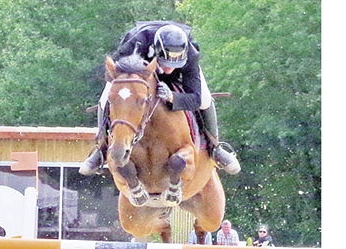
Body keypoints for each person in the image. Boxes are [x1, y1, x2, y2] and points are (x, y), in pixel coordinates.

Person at [79, 20, 241, 176]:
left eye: (175, 64)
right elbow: (108, 72)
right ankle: (101, 149)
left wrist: (173, 97)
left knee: (205, 99)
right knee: (106, 97)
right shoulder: (136, 45)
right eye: (165, 63)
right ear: (156, 52)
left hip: (177, 74)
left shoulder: (191, 56)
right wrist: (131, 81)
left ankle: (215, 147)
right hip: (139, 72)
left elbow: (196, 99)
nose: (170, 69)